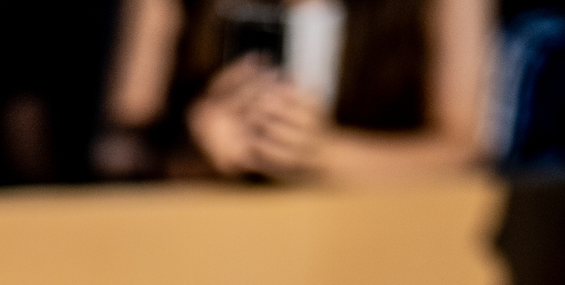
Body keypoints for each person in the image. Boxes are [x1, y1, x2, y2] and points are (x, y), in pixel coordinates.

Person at [96, 0, 491, 185]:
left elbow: (464, 152)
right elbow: (114, 148)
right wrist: (191, 157)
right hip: (206, 256)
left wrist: (321, 155)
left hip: (377, 260)